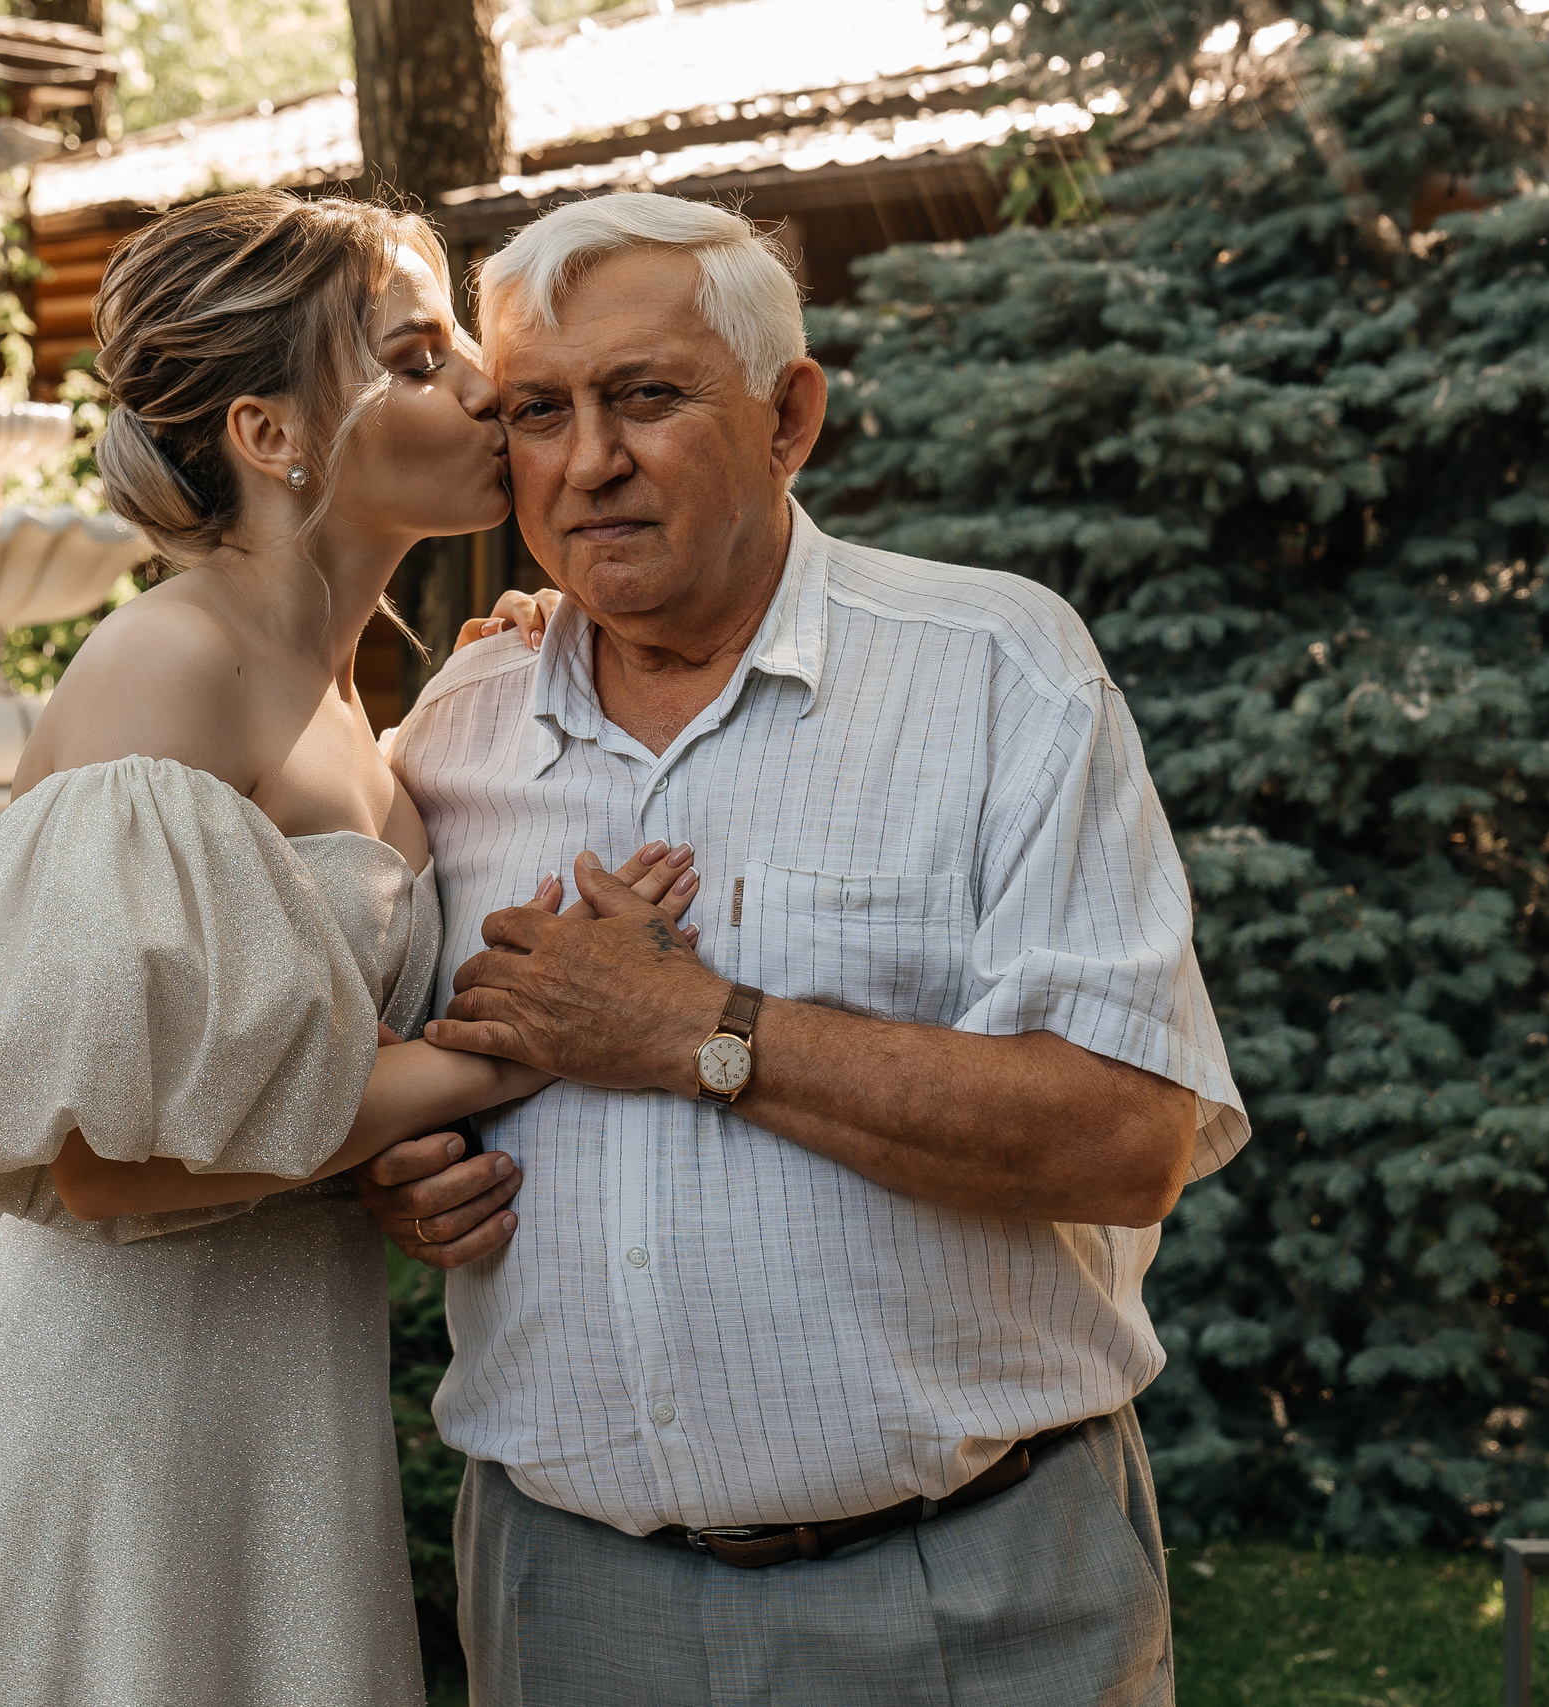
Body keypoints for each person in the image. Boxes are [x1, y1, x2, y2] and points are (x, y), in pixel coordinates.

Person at [360, 192, 1251, 1705]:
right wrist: (413, 1169)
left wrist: (704, 1031)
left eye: (647, 395)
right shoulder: (457, 732)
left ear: (790, 418)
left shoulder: (996, 676)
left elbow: (1126, 1138)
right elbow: (412, 1084)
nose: (590, 462)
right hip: (569, 1600)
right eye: (538, 411)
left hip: (970, 1593)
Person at [0, 191, 692, 1707]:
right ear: (271, 433)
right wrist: (513, 1037)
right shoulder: (170, 666)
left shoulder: (360, 693)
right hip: (101, 1438)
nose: (487, 391)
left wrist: (504, 696)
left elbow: (275, 1071)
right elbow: (99, 1161)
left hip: (277, 1428)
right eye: (421, 359)